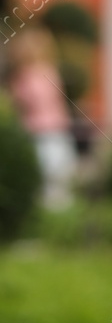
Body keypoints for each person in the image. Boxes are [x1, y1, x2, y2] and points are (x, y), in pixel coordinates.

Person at [6, 27, 76, 209]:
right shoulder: (51, 72)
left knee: (46, 183)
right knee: (58, 183)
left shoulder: (26, 77)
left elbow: (26, 104)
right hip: (55, 132)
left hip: (39, 134)